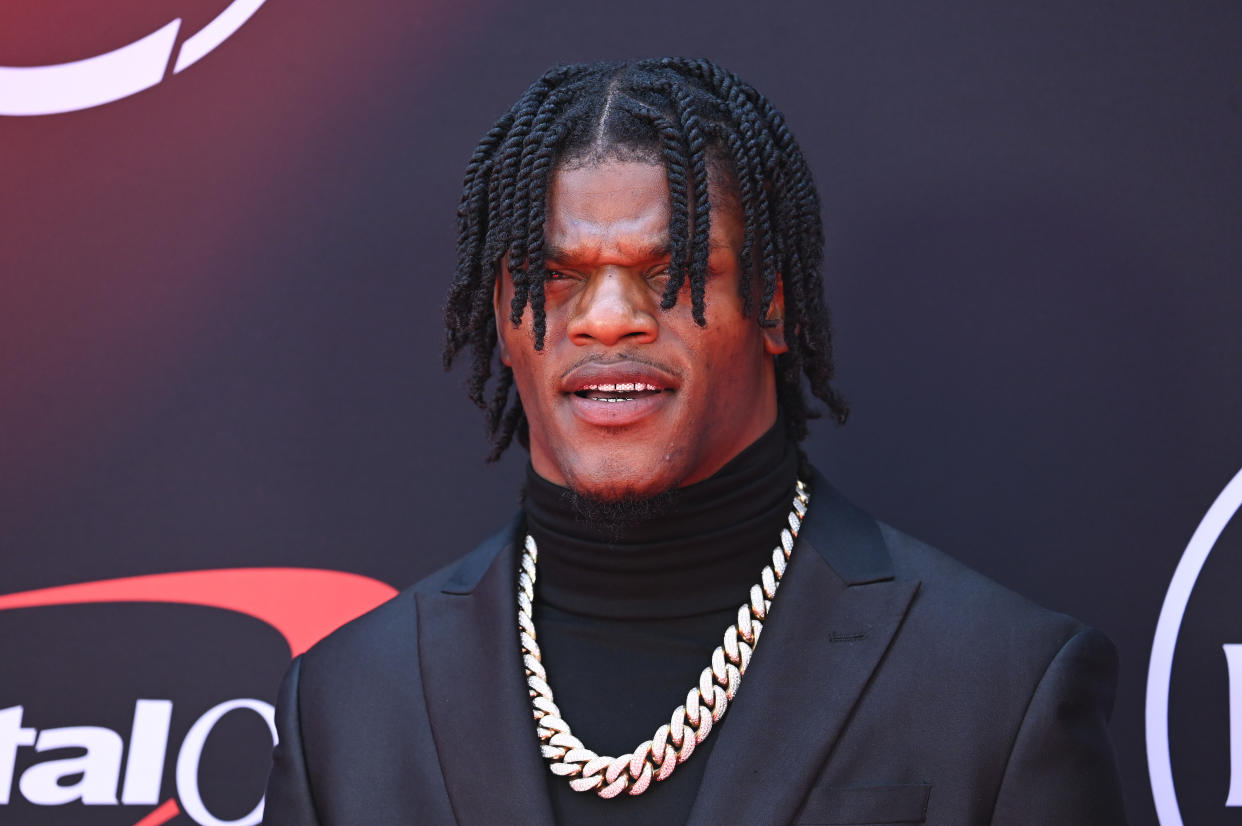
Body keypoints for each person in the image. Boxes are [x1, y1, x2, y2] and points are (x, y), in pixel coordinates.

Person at [263, 58, 1126, 825]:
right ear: (501, 317)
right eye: (554, 277)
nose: (607, 320)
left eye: (671, 274)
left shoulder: (999, 685)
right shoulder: (346, 705)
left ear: (774, 306)